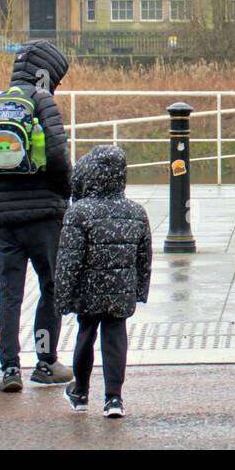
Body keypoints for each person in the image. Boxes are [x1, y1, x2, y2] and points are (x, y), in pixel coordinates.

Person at [0, 39, 74, 392]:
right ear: (45, 75)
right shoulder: (42, 101)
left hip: (5, 220)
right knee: (51, 287)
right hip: (44, 216)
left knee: (9, 292)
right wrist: (67, 195)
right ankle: (46, 363)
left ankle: (10, 369)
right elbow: (59, 156)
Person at [55, 144, 152, 419]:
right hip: (121, 290)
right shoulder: (136, 211)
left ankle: (81, 392)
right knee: (115, 338)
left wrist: (62, 297)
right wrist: (139, 290)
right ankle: (114, 398)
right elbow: (144, 258)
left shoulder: (79, 212)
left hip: (88, 291)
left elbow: (69, 260)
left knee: (85, 335)